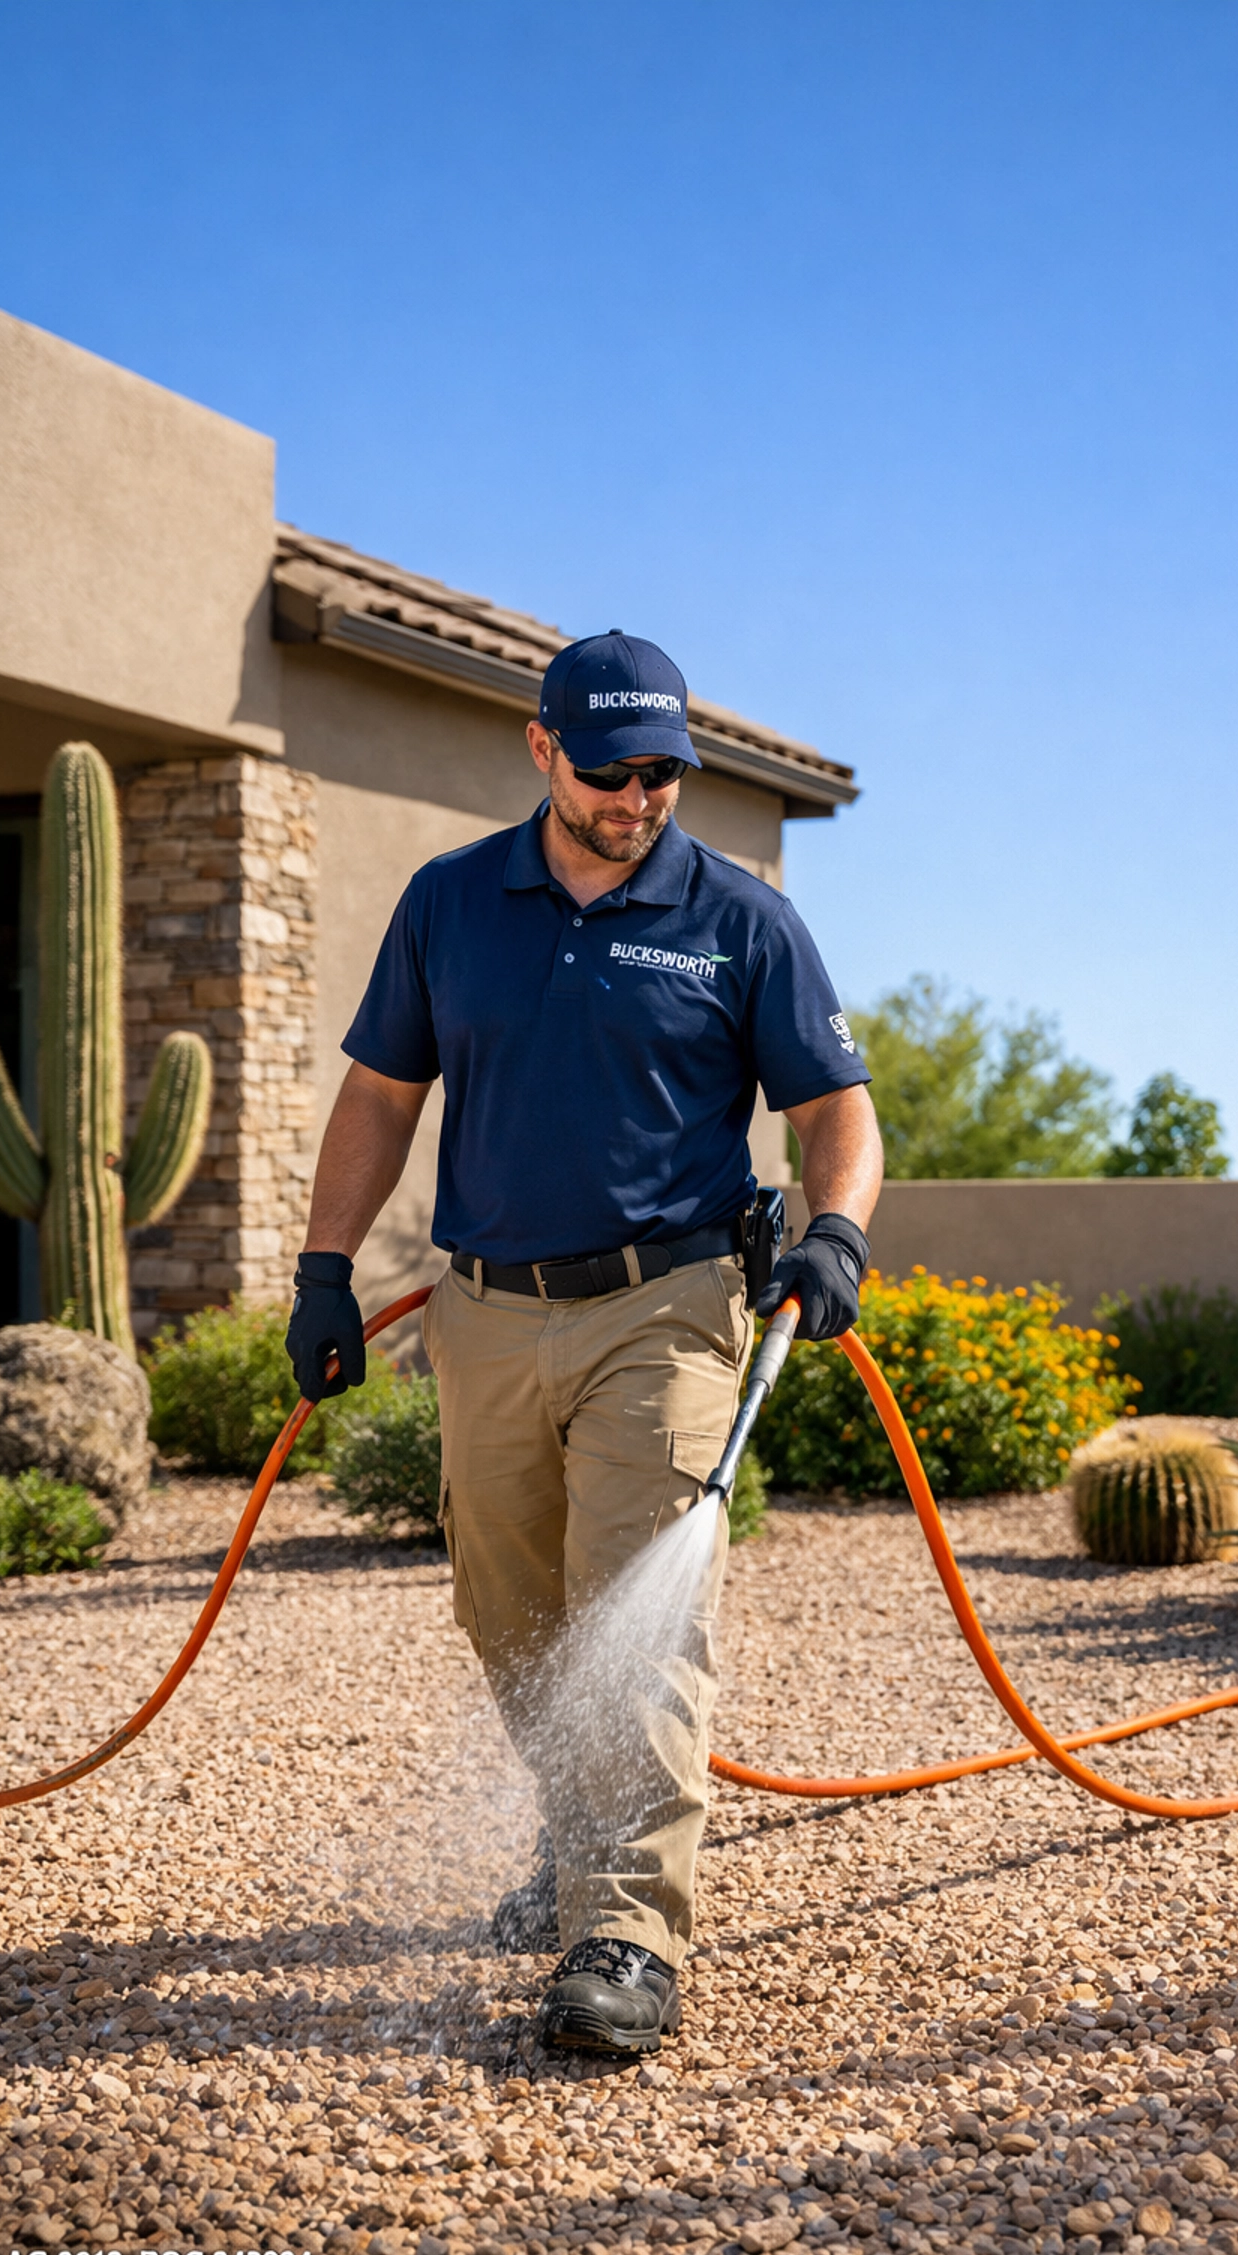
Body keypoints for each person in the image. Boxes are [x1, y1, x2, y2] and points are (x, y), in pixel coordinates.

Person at [285, 629, 882, 2056]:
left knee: (641, 1610)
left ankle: (623, 1925)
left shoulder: (741, 920)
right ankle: (575, 1847)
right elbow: (379, 1098)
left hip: (669, 1307)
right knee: (514, 1614)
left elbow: (834, 1114)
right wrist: (320, 1270)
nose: (640, 799)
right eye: (611, 771)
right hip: (483, 1313)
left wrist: (837, 1227)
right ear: (541, 748)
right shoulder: (449, 904)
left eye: (665, 772)